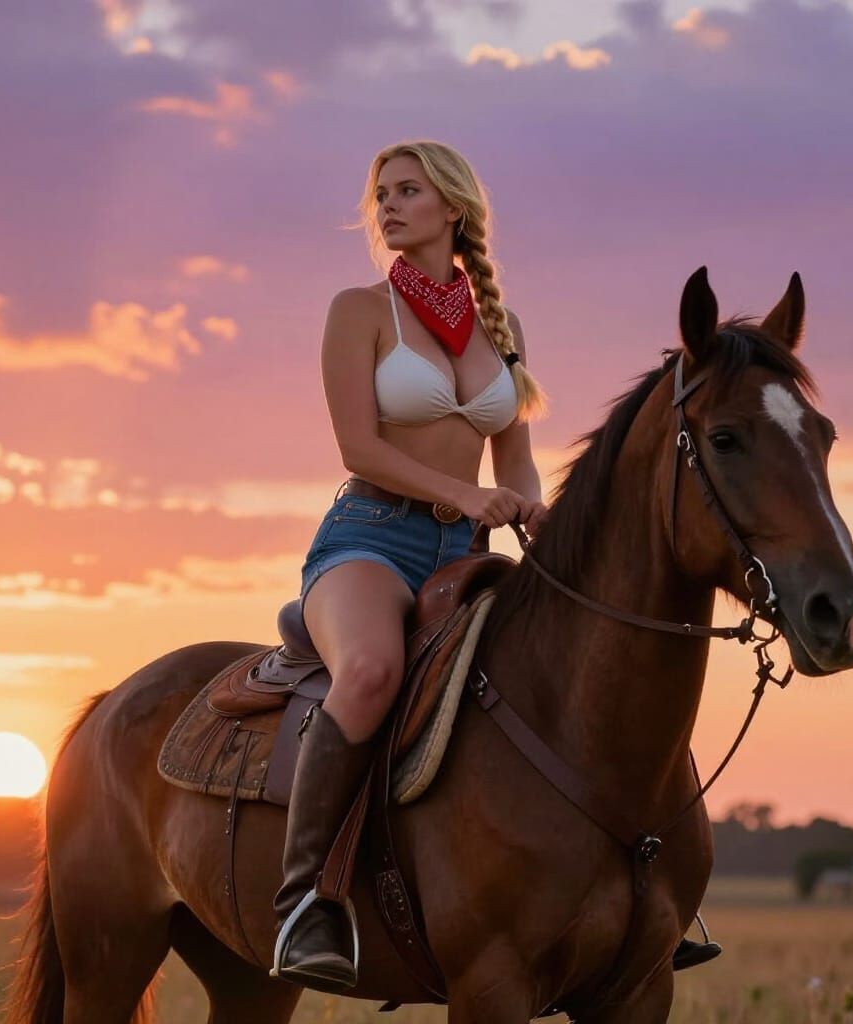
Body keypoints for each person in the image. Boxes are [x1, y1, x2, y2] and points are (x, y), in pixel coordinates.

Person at [271, 139, 718, 991]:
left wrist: (530, 512)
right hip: (368, 538)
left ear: (453, 207)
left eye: (408, 190)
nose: (388, 207)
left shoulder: (501, 331)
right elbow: (358, 446)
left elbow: (512, 460)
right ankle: (307, 902)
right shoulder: (359, 310)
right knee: (368, 671)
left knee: (584, 667)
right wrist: (464, 493)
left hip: (464, 552)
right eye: (382, 194)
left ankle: (659, 886)